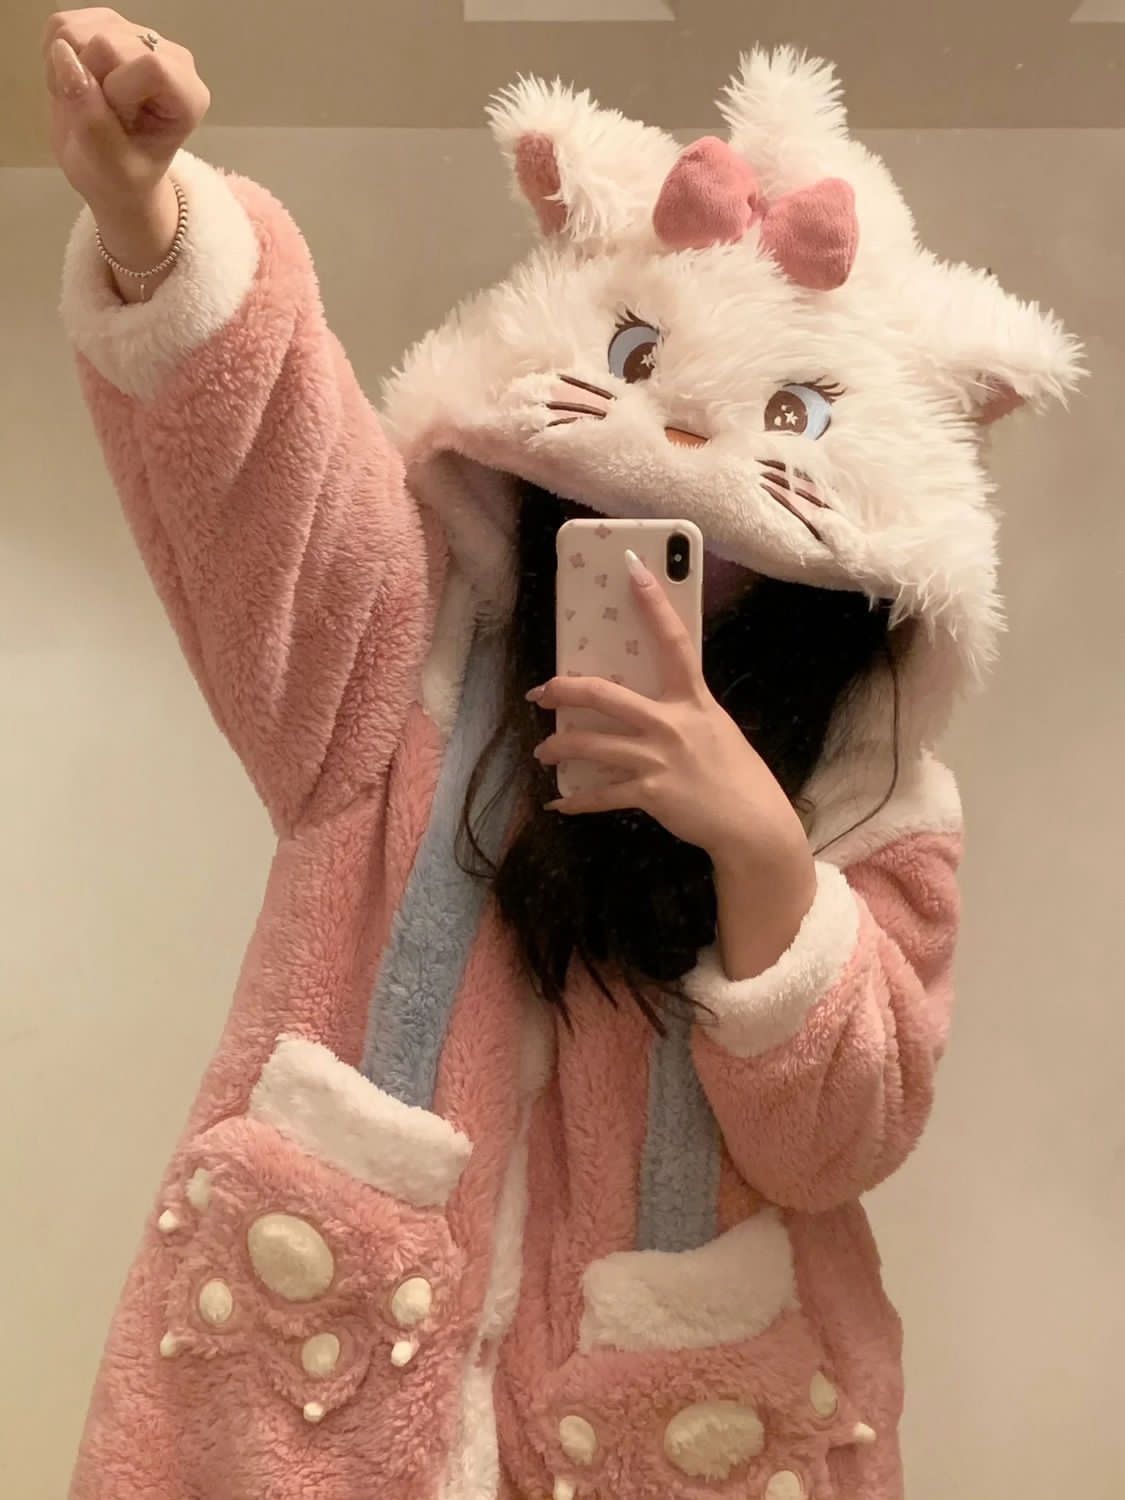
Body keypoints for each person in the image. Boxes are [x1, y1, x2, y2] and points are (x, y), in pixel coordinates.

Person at [46, 11, 1081, 1500]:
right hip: (315, 1389)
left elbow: (835, 1145)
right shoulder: (402, 657)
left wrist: (762, 853)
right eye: (641, 370)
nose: (687, 493)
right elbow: (264, 478)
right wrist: (153, 225)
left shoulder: (870, 798)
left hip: (664, 1429)